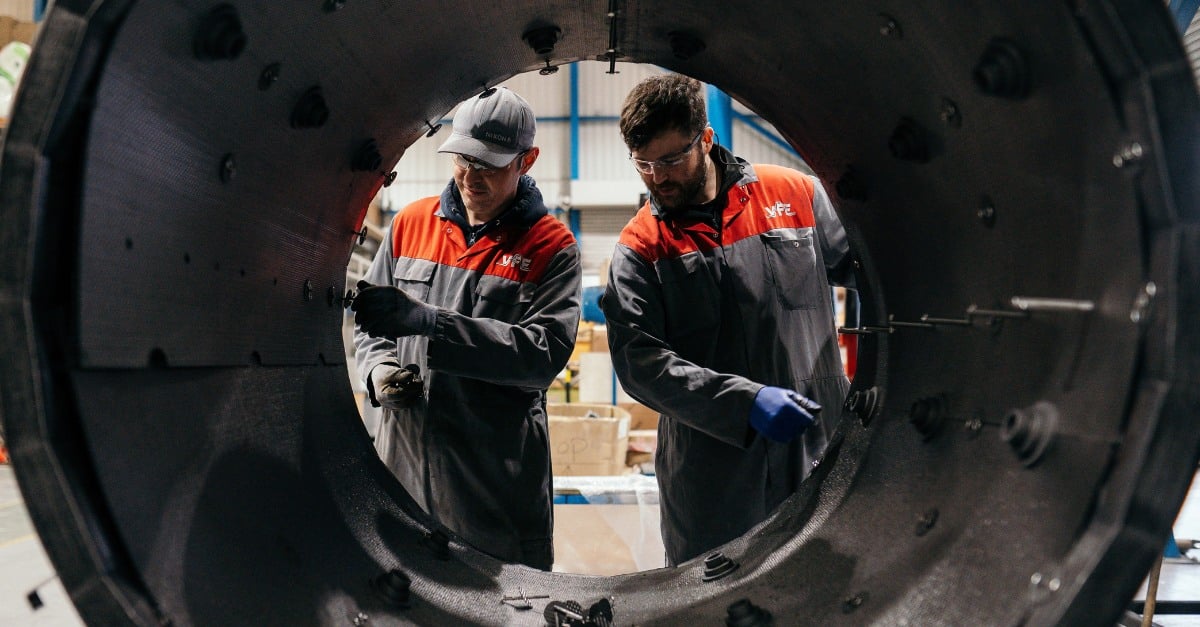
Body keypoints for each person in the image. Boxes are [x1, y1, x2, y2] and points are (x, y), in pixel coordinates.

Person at [601, 74, 854, 566]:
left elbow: (880, 274)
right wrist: (744, 402)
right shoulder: (640, 248)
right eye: (644, 164)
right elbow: (639, 363)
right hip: (711, 479)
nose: (657, 178)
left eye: (671, 160)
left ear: (707, 139)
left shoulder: (794, 195)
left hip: (817, 453)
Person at [352, 87, 581, 570]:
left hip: (492, 486)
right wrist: (379, 373)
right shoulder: (409, 224)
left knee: (499, 607)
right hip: (403, 471)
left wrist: (432, 324)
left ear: (527, 160)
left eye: (489, 163)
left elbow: (541, 357)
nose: (470, 175)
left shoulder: (551, 247)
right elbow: (370, 324)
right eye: (462, 158)